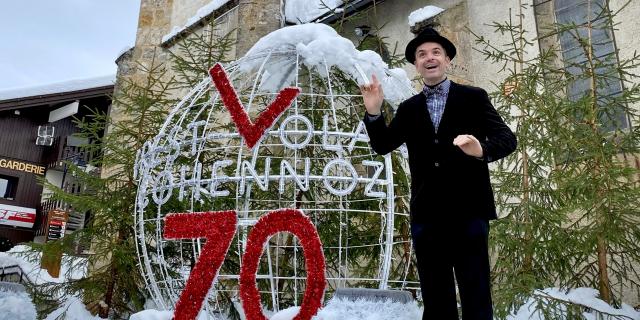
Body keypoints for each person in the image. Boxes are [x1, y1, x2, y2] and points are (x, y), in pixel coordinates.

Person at [360, 28, 517, 320]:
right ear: (416, 65)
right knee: (436, 297)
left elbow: (508, 139)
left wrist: (480, 149)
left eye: (435, 53)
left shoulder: (473, 98)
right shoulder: (409, 109)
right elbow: (382, 145)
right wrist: (374, 112)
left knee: (476, 293)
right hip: (427, 216)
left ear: (447, 61)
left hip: (469, 212)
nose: (428, 58)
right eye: (421, 54)